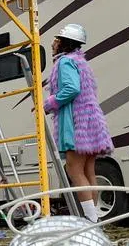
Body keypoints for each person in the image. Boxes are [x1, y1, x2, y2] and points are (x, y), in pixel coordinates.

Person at [43, 24, 114, 223]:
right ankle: (95, 217)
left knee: (74, 170)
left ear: (63, 43)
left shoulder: (64, 63)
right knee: (89, 171)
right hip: (91, 121)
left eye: (57, 40)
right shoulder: (81, 62)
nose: (53, 43)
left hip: (76, 123)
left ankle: (90, 221)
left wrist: (48, 104)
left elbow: (71, 89)